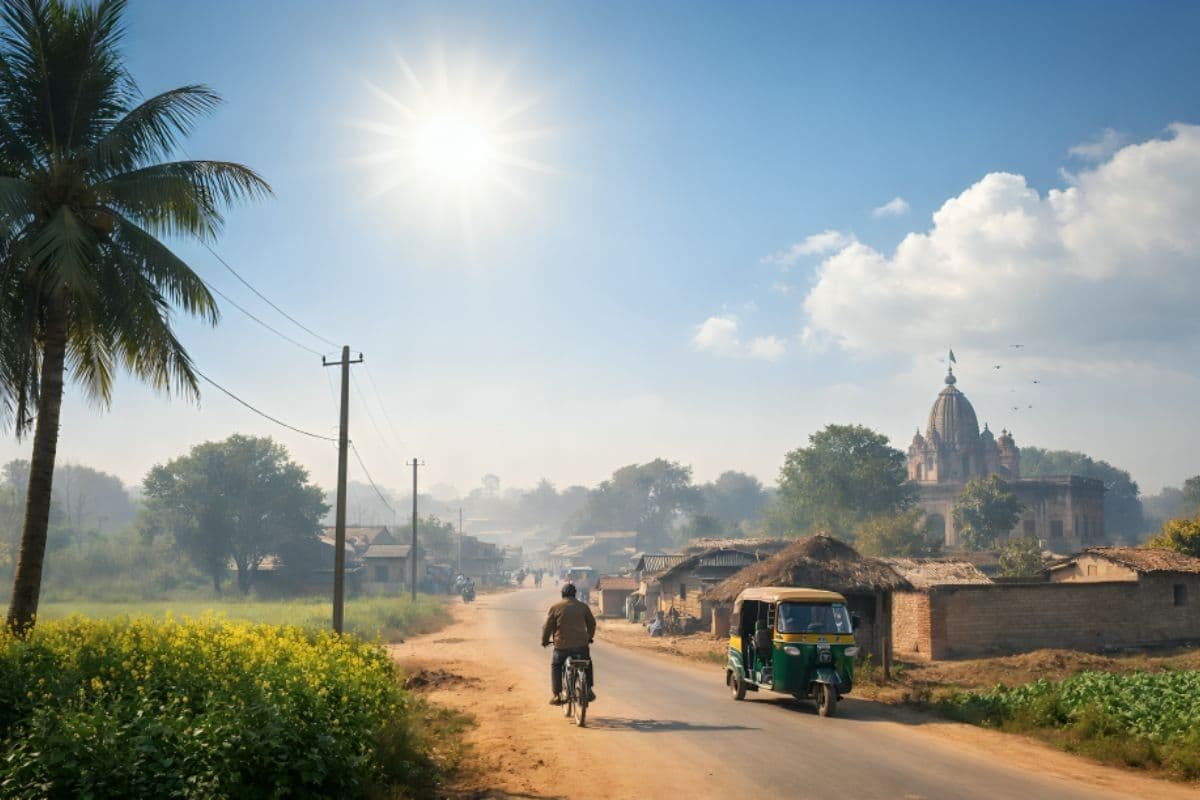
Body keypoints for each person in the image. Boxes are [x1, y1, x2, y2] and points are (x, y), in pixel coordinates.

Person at [541, 582, 597, 705]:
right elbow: (592, 624)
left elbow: (547, 627)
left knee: (556, 665)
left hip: (562, 647)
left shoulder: (555, 607)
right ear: (575, 594)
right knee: (587, 663)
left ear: (562, 594)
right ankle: (589, 690)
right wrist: (589, 637)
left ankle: (556, 695)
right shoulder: (583, 607)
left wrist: (545, 641)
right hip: (581, 647)